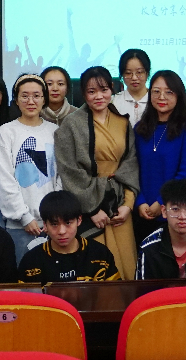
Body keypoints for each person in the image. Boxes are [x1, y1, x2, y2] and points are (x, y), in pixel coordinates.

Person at [54, 66, 140, 281]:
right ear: (83, 94)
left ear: (112, 89)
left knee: (126, 265)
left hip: (119, 203)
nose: (99, 96)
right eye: (91, 92)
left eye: (104, 90)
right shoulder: (71, 124)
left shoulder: (122, 121)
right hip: (90, 207)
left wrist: (128, 205)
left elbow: (130, 164)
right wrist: (91, 208)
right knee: (95, 268)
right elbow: (69, 170)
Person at [132, 71, 186, 244]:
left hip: (176, 215)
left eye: (169, 92)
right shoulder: (139, 129)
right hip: (142, 213)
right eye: (156, 91)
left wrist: (162, 202)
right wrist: (140, 201)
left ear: (179, 95)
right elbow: (131, 168)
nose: (161, 97)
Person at [0, 74, 61, 261]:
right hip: (19, 226)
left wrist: (54, 215)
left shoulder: (54, 131)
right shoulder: (7, 131)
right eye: (24, 96)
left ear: (44, 99)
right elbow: (5, 179)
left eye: (36, 96)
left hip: (53, 224)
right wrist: (24, 217)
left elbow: (60, 177)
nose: (31, 101)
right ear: (16, 100)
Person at [18, 190, 120, 282]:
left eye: (68, 223)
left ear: (79, 220)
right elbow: (23, 296)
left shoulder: (100, 254)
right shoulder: (31, 261)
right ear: (45, 225)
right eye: (54, 224)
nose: (62, 231)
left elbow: (114, 293)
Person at [113, 49, 151, 126]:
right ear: (122, 74)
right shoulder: (113, 102)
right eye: (128, 73)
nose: (134, 78)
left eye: (139, 72)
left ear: (147, 73)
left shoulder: (156, 100)